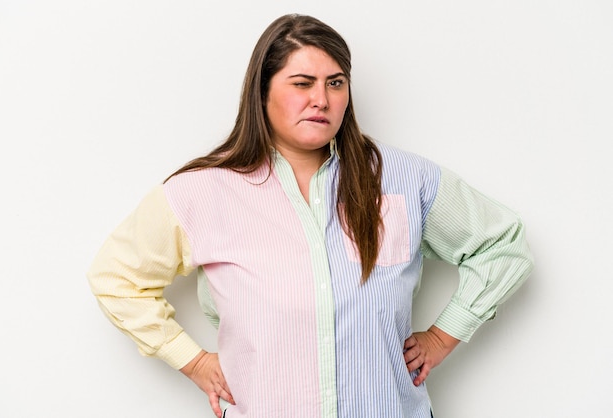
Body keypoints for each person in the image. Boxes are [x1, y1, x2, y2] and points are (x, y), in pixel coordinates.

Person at [87, 13, 534, 418]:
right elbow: (116, 277)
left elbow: (502, 244)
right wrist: (193, 360)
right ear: (262, 92)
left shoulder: (404, 178)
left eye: (335, 83)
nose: (321, 99)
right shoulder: (202, 191)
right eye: (302, 83)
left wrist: (443, 335)